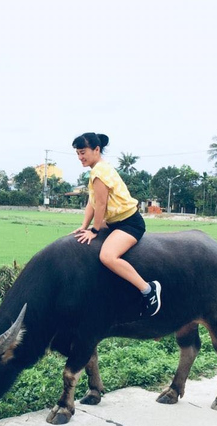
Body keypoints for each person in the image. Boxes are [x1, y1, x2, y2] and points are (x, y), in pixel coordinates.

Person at [71, 132, 161, 317]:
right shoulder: (98, 169)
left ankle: (148, 290)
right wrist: (84, 226)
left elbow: (101, 205)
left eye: (83, 152)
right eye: (78, 153)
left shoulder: (100, 173)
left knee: (107, 256)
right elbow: (92, 201)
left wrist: (94, 230)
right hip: (114, 221)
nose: (80, 157)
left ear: (96, 150)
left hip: (129, 223)